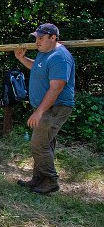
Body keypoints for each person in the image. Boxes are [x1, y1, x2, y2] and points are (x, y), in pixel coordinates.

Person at [14, 23, 75, 194]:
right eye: (36, 38)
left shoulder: (60, 57)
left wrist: (39, 112)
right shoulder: (44, 53)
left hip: (55, 107)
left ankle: (50, 181)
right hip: (46, 107)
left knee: (39, 144)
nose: (37, 41)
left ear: (53, 37)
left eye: (41, 38)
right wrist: (22, 59)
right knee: (45, 143)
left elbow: (56, 87)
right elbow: (38, 68)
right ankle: (39, 178)